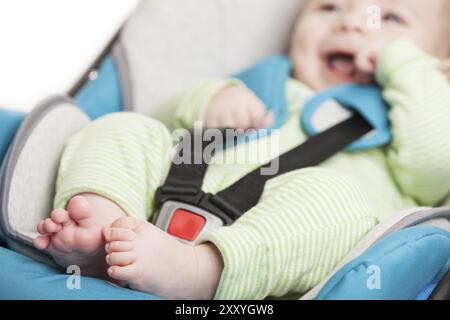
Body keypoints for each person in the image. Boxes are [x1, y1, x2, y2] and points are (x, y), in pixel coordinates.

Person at [33, 0, 450, 299]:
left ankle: (202, 273)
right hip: (171, 193)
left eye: (390, 17)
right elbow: (166, 118)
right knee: (126, 126)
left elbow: (435, 168)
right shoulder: (266, 81)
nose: (353, 24)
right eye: (329, 8)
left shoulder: (413, 115)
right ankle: (102, 226)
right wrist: (210, 100)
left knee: (335, 198)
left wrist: (407, 65)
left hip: (279, 239)